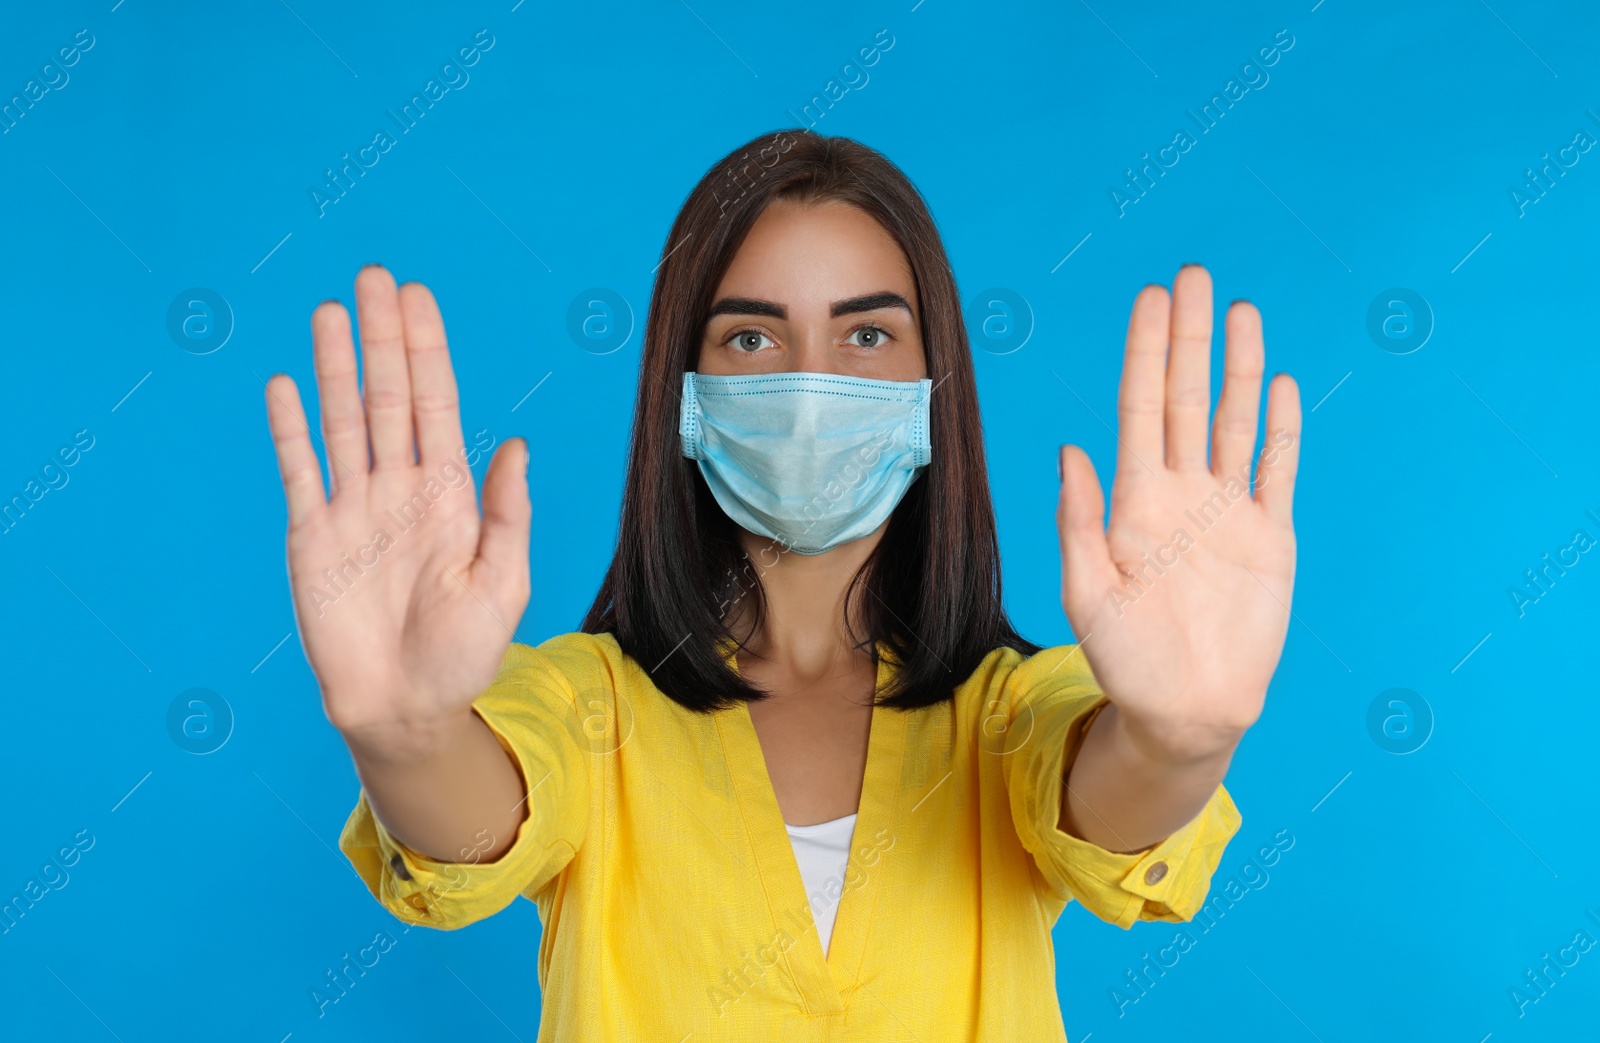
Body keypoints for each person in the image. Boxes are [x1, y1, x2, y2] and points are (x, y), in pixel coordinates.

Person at [263, 129, 1300, 1041]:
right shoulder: (590, 702)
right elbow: (473, 822)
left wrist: (1178, 737)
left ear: (934, 387)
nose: (814, 387)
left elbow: (1106, 800)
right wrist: (405, 732)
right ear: (685, 390)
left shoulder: (1010, 712)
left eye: (867, 334)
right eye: (752, 336)